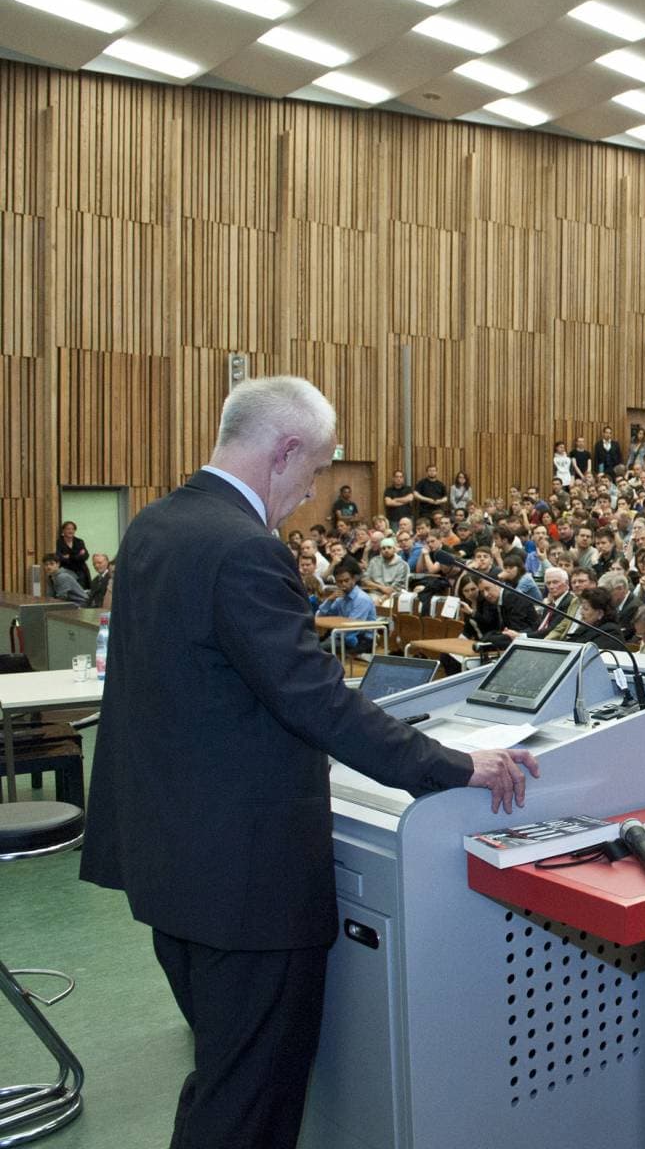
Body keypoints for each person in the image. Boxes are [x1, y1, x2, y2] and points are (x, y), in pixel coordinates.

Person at [79, 376, 537, 1149]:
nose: (312, 491)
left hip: (170, 861)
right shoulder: (244, 549)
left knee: (223, 1077)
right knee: (248, 1102)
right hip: (244, 882)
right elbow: (316, 702)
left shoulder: (156, 524)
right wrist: (456, 767)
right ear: (285, 449)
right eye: (317, 469)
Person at [317, 561, 378, 654]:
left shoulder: (362, 599)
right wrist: (329, 600)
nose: (343, 584)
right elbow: (320, 616)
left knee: (317, 650)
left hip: (360, 639)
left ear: (354, 579)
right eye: (339, 582)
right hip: (342, 635)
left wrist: (332, 637)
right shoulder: (340, 597)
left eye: (346, 580)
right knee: (309, 645)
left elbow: (352, 627)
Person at [53, 519, 91, 588]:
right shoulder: (59, 542)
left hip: (80, 571)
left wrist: (69, 557)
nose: (71, 531)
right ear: (63, 530)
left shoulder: (79, 541)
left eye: (73, 529)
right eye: (68, 529)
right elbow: (59, 558)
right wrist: (78, 555)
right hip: (66, 571)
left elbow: (86, 556)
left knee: (81, 591)